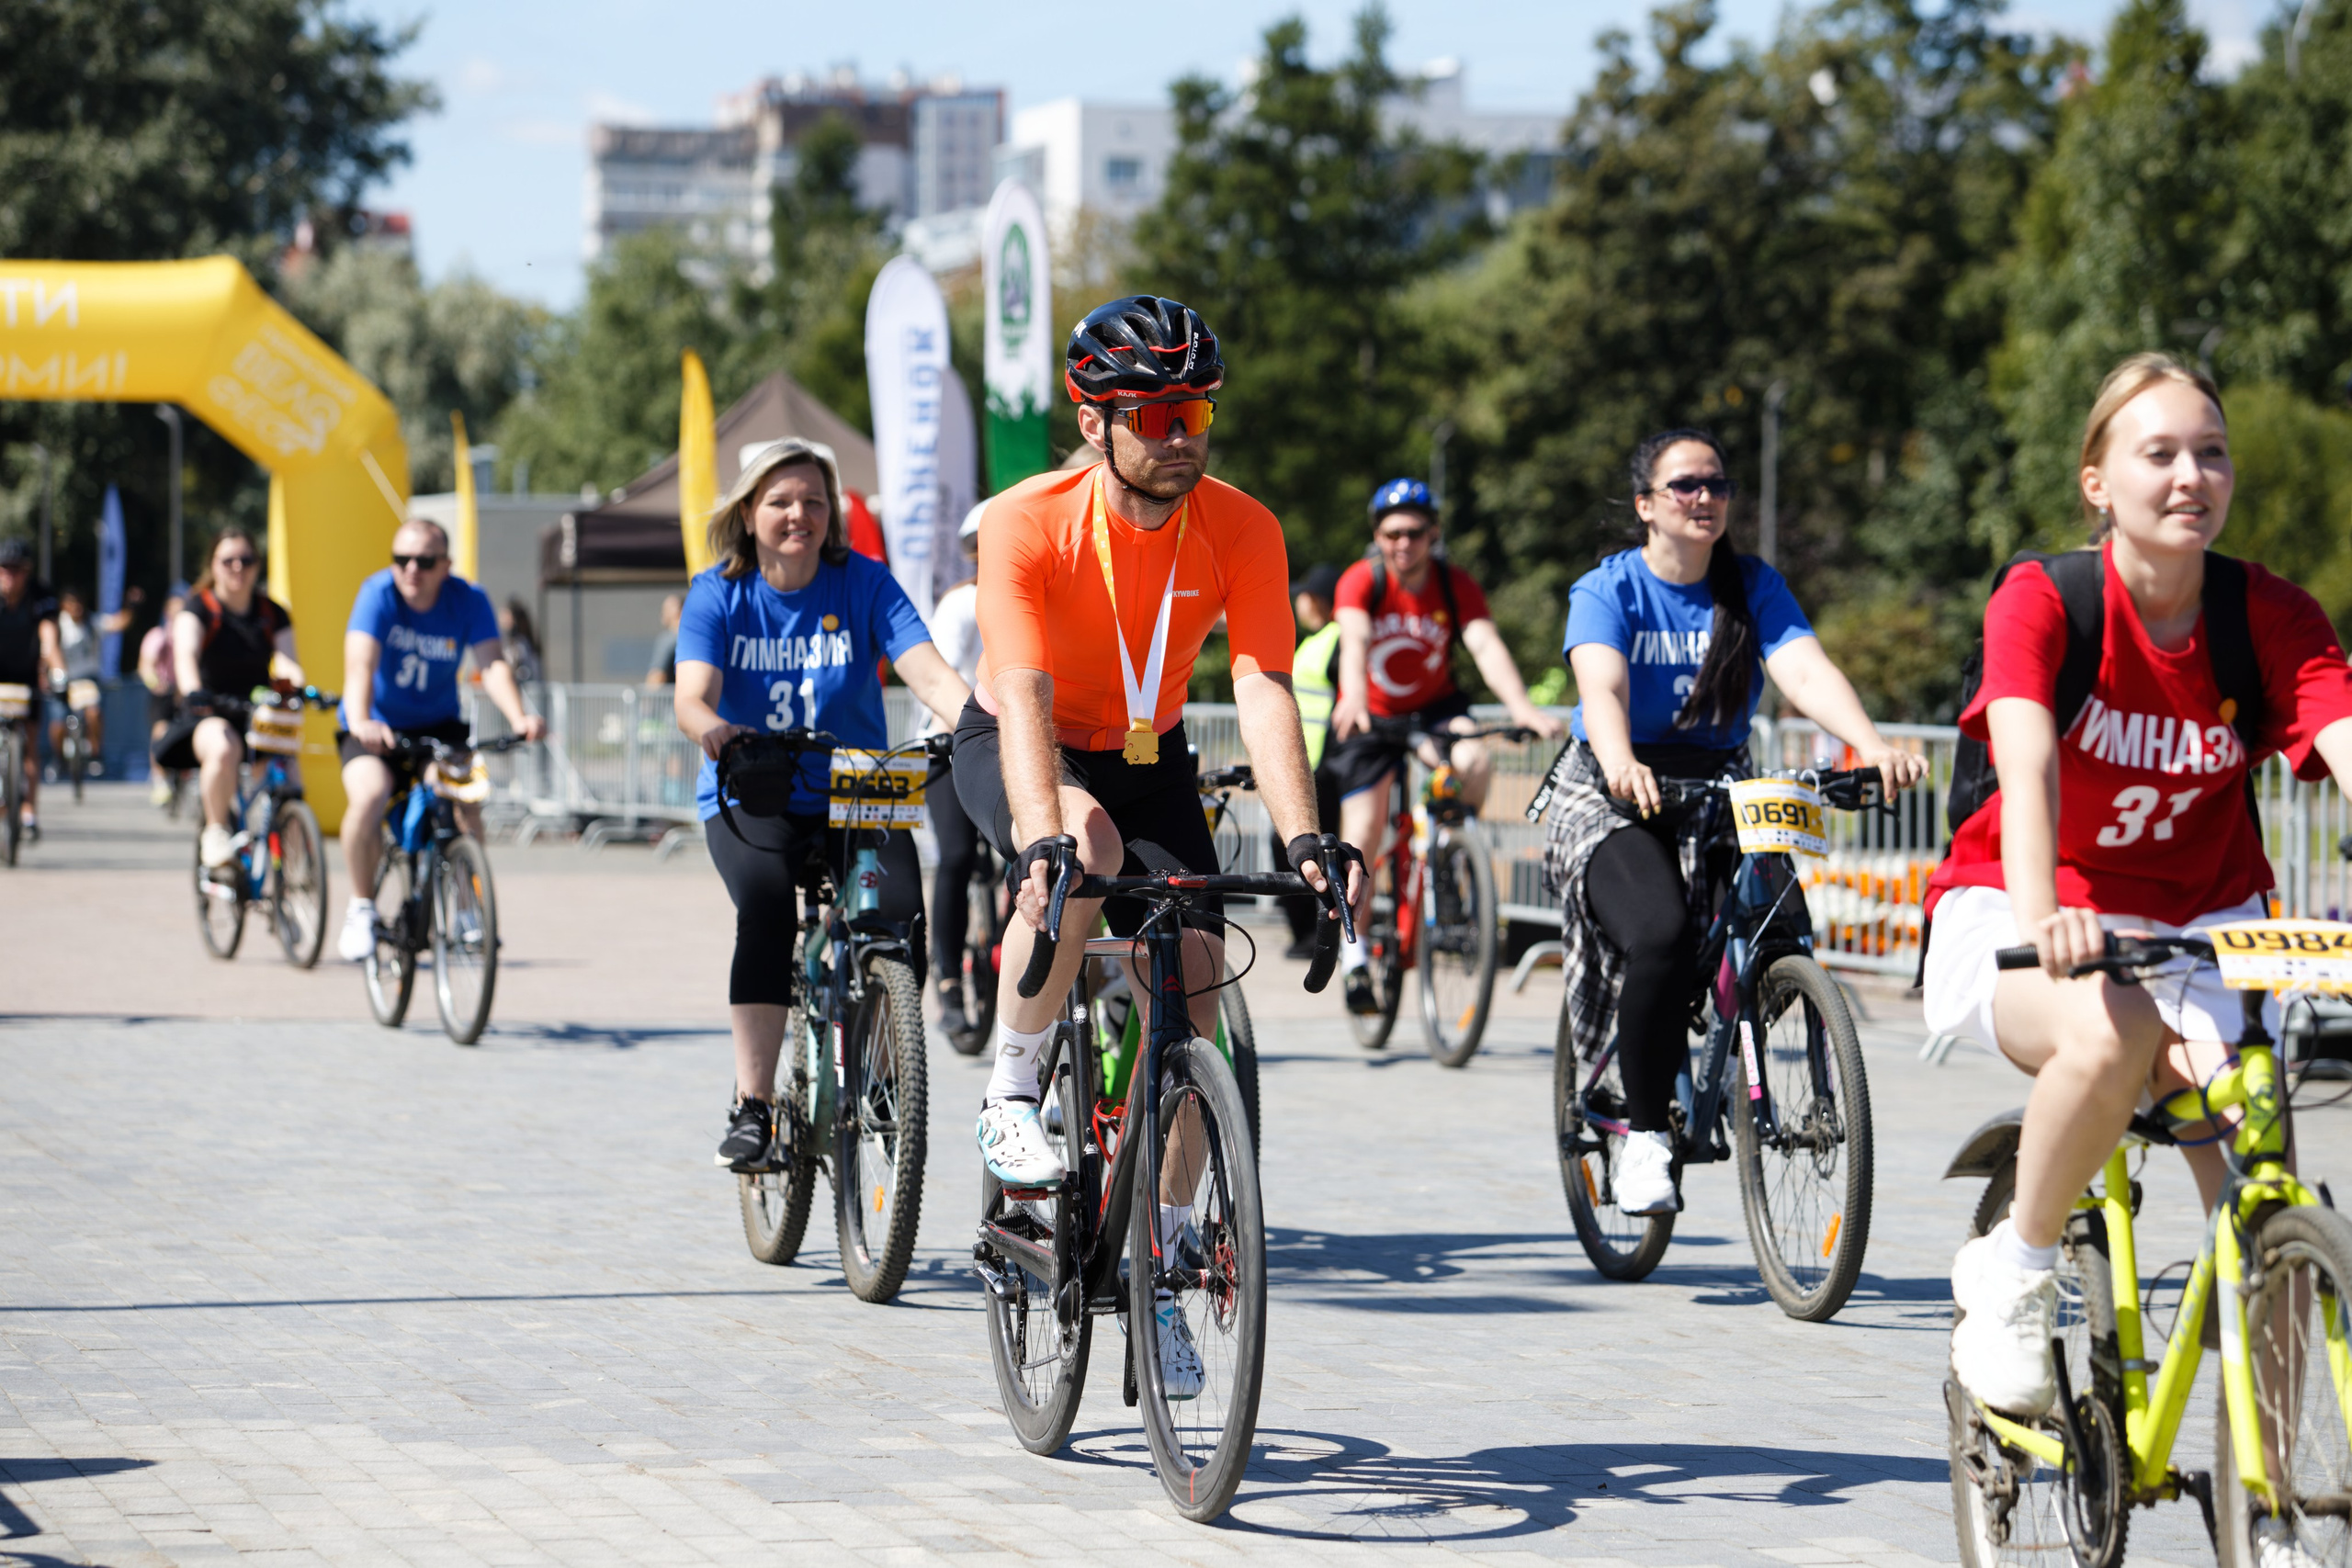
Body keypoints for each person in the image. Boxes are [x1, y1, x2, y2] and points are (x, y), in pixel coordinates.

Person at [1924, 355, 2352, 1427]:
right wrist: (2044, 919)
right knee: (2110, 1031)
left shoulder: (2268, 616)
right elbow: (2025, 767)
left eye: (2211, 453)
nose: (2190, 476)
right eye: (2158, 453)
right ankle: (2016, 1272)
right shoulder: (2046, 599)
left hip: (2202, 922)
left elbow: (2344, 738)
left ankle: (2279, 1494)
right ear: (2097, 482)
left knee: (2263, 1189)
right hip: (2022, 901)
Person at [954, 295, 1357, 1394]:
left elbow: (1264, 686)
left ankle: (1166, 1260)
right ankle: (1011, 1089)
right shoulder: (1026, 521)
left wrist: (1304, 834)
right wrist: (1042, 832)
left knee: (1195, 975)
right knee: (1080, 848)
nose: (1183, 436)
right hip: (1024, 738)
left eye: (1198, 412)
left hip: (1149, 747)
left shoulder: (1244, 527)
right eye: (1158, 415)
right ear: (1094, 423)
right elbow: (1023, 691)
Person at [1549, 427, 1926, 1217]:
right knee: (1658, 933)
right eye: (1685, 485)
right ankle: (1645, 1133)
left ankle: (1721, 1038)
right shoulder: (1608, 589)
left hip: (1722, 783)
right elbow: (1601, 688)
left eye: (1717, 484)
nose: (1705, 497)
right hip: (1615, 788)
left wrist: (1870, 745)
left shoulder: (1751, 585)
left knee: (1778, 929)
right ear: (1646, 504)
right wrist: (1619, 761)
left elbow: (1803, 671)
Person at [672, 438, 970, 1170]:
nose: (798, 514)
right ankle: (754, 1105)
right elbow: (691, 696)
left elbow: (931, 675)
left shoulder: (865, 581)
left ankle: (883, 1068)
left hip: (859, 782)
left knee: (898, 916)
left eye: (813, 500)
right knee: (768, 909)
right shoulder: (718, 592)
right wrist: (713, 728)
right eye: (779, 501)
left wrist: (983, 726)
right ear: (748, 512)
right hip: (754, 786)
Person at [1326, 478, 1566, 1012]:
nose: (1403, 544)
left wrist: (1523, 709)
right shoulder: (1363, 579)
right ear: (1377, 537)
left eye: (1414, 533)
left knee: (1474, 757)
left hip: (1435, 710)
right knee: (1362, 835)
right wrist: (1355, 695)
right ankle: (1355, 956)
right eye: (1392, 534)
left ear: (1433, 533)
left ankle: (1450, 846)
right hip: (1372, 714)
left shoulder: (1454, 584)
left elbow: (1484, 644)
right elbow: (1355, 637)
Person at [335, 518, 549, 962]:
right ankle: (361, 907)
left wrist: (519, 717)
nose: (411, 569)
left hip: (437, 724)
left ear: (446, 565)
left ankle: (468, 911)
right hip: (376, 724)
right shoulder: (378, 594)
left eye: (425, 561)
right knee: (370, 795)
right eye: (401, 559)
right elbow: (359, 665)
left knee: (464, 802)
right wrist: (360, 720)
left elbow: (491, 664)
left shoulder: (468, 598)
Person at [153, 528, 303, 870]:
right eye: (228, 560)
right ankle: (216, 831)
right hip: (208, 711)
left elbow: (288, 661)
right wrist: (193, 689)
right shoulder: (198, 608)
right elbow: (186, 655)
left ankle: (295, 871)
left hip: (257, 713)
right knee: (224, 747)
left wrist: (295, 685)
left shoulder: (272, 612)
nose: (238, 567)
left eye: (246, 560)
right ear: (213, 565)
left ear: (257, 565)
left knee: (289, 771)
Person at [929, 502, 988, 1042]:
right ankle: (947, 976)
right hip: (952, 742)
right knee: (955, 856)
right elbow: (941, 676)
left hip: (1013, 747)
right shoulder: (962, 603)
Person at [1273, 562, 1344, 959]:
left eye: (1304, 596)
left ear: (1316, 600)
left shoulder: (1337, 640)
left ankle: (1314, 937)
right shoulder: (1318, 640)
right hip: (1312, 763)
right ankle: (1309, 936)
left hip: (1326, 767)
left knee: (1305, 850)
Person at [0, 539, 62, 836]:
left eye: (17, 569)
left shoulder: (41, 595)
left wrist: (58, 673)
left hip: (27, 675)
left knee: (30, 744)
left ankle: (29, 812)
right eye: (5, 568)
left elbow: (49, 637)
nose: (10, 575)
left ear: (28, 571)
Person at [48, 589, 107, 774]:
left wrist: (131, 607)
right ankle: (58, 758)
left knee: (94, 713)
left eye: (79, 603)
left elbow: (116, 623)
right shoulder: (56, 625)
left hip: (86, 678)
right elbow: (48, 650)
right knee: (58, 722)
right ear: (63, 605)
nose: (76, 607)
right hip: (62, 678)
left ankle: (95, 754)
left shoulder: (91, 622)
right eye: (71, 603)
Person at [138, 589, 187, 806]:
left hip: (186, 691)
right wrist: (156, 683)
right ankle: (159, 780)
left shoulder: (193, 633)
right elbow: (146, 665)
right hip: (165, 690)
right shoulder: (158, 636)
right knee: (160, 731)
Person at [498, 599, 544, 690]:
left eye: (506, 616)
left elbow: (528, 671)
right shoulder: (506, 641)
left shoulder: (522, 644)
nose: (502, 620)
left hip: (526, 690)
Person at [646, 593, 683, 687]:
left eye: (666, 609)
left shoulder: (668, 639)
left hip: (670, 696)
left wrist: (647, 695)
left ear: (677, 612)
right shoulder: (694, 639)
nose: (662, 613)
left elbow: (657, 677)